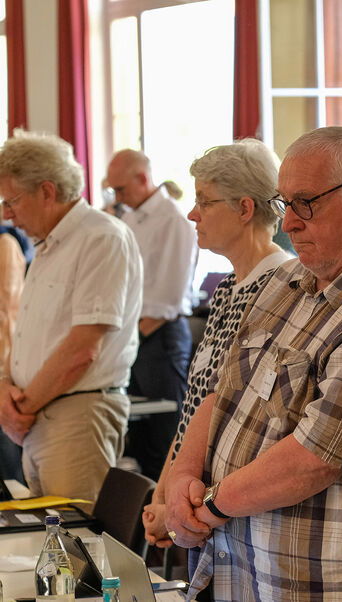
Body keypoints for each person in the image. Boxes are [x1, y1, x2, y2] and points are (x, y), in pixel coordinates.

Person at [165, 126, 342, 601]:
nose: (288, 223)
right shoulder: (287, 279)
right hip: (237, 567)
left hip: (310, 583)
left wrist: (205, 507)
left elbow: (315, 459)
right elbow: (222, 392)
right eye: (284, 203)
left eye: (305, 203)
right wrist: (181, 476)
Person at [141, 139, 291, 569]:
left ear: (245, 209)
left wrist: (176, 500)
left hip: (227, 509)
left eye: (204, 202)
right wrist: (163, 494)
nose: (193, 214)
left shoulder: (282, 286)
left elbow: (241, 412)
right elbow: (195, 405)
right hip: (191, 498)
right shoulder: (227, 287)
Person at [0, 130, 142, 501]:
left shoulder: (100, 237)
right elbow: (27, 336)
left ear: (47, 191)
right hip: (42, 414)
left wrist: (20, 410)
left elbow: (83, 348)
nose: (6, 214)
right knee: (43, 534)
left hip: (77, 414)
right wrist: (6, 388)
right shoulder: (49, 246)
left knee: (73, 535)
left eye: (12, 201)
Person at [106, 150, 198, 481]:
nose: (117, 198)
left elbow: (169, 298)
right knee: (138, 441)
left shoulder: (173, 220)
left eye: (120, 189)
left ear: (143, 179)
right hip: (134, 334)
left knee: (165, 438)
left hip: (160, 336)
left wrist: (129, 339)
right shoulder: (131, 218)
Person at [0, 227, 25, 481]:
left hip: (3, 363)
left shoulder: (5, 245)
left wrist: (4, 373)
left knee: (8, 465)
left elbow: (7, 313)